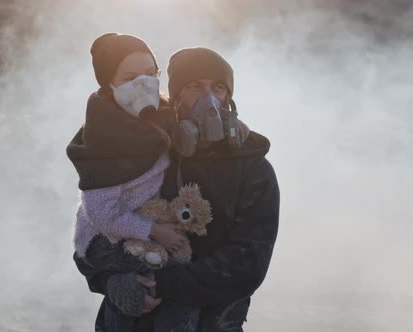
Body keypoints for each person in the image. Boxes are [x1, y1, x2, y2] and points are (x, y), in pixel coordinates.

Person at [74, 46, 280, 331]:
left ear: (229, 100)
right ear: (175, 97)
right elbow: (93, 234)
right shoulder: (147, 152)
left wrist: (160, 283)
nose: (208, 99)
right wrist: (111, 283)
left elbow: (246, 266)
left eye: (218, 88)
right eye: (194, 86)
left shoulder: (253, 170)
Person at [67, 33, 201, 331]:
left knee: (174, 281)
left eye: (151, 74)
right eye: (130, 77)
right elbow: (102, 215)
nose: (144, 84)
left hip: (138, 231)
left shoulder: (162, 117)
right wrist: (155, 231)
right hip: (104, 240)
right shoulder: (103, 138)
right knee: (160, 278)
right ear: (109, 84)